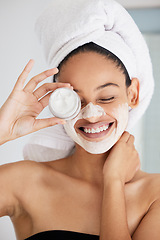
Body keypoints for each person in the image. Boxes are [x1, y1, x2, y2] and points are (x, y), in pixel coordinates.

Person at [0, 1, 160, 240]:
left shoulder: (154, 193)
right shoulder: (24, 181)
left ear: (133, 94)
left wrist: (113, 181)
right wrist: (2, 131)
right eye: (75, 100)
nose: (91, 114)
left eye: (106, 97)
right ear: (57, 101)